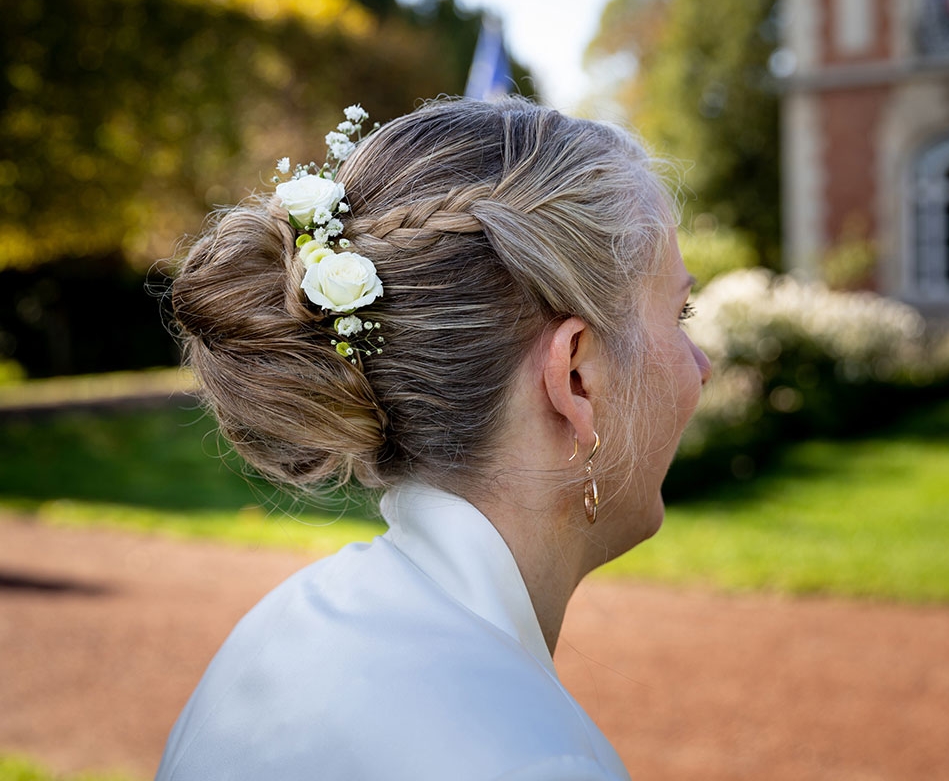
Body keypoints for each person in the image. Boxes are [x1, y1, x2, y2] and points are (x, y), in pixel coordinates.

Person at [156, 96, 710, 781]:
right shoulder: (534, 762)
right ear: (575, 378)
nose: (702, 367)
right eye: (680, 313)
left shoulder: (276, 631)